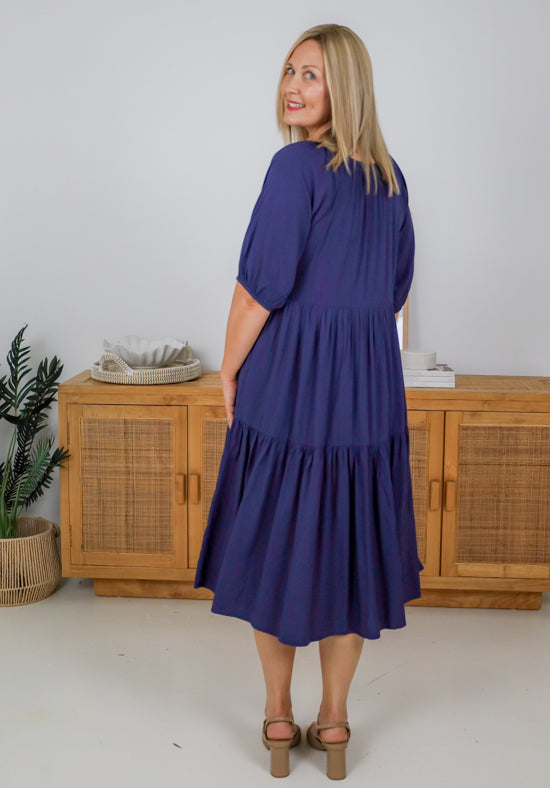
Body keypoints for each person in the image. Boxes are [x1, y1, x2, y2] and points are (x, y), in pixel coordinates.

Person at [193, 23, 424, 780]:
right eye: (290, 71)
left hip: (291, 383)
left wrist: (228, 370)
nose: (292, 87)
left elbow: (260, 288)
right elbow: (394, 293)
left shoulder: (294, 168)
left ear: (344, 88)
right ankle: (334, 724)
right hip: (366, 390)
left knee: (277, 548)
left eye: (312, 76)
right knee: (350, 551)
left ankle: (279, 716)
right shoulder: (390, 178)